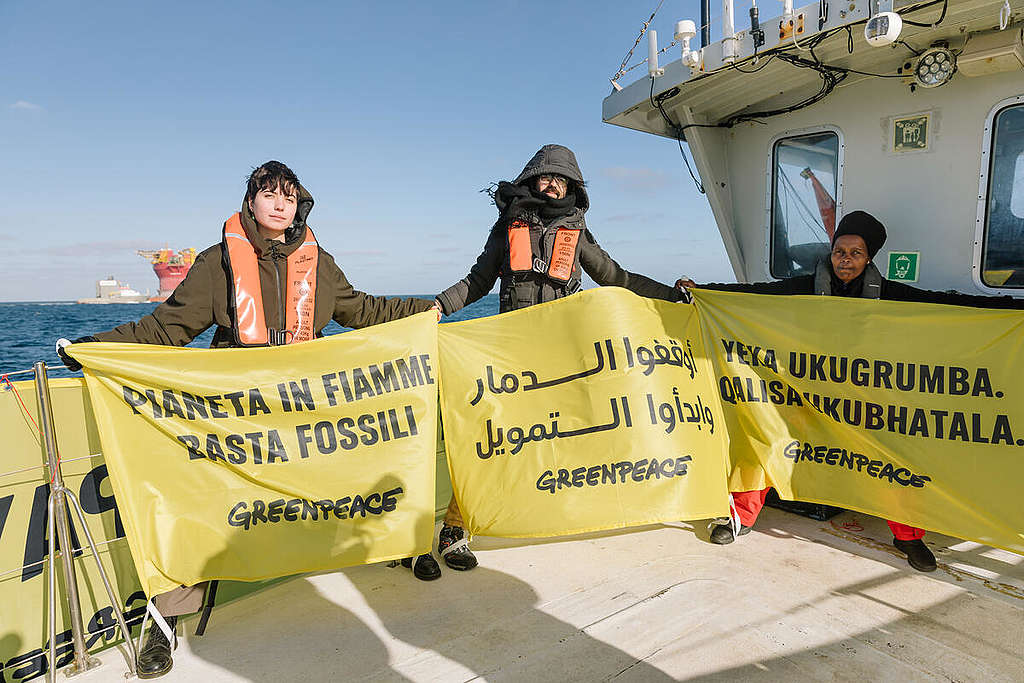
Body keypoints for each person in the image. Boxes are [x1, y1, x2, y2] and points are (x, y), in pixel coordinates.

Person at [57, 161, 439, 679]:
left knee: (362, 467)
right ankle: (165, 618)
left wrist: (430, 309)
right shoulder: (218, 263)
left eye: (289, 195)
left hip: (303, 409)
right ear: (251, 202)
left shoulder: (319, 263)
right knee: (204, 505)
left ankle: (402, 545)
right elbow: (167, 327)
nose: (280, 204)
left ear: (300, 204)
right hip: (236, 415)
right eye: (268, 194)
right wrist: (94, 349)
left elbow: (363, 311)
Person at [677, 210, 1024, 573]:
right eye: (839, 251)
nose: (845, 259)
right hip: (804, 395)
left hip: (863, 403)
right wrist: (707, 293)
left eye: (855, 253)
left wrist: (1011, 309)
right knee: (767, 439)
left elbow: (945, 305)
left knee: (894, 460)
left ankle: (908, 537)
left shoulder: (890, 295)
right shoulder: (801, 288)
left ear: (868, 258)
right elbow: (752, 297)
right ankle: (740, 518)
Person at [433, 144, 686, 571]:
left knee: (571, 433)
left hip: (563, 352)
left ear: (572, 186)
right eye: (545, 178)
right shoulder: (507, 227)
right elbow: (477, 281)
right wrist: (436, 308)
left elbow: (615, 277)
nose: (552, 186)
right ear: (532, 181)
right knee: (490, 436)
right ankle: (456, 528)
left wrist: (672, 297)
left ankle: (558, 511)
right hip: (513, 354)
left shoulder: (578, 231)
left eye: (561, 180)